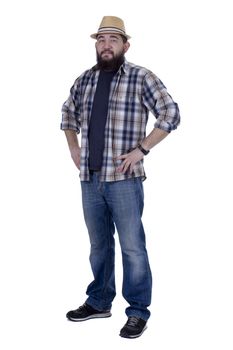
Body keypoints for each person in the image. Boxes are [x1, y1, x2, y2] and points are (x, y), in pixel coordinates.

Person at [61, 16, 180, 339]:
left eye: (113, 39)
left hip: (124, 179)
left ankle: (138, 311)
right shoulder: (85, 80)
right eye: (101, 39)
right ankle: (99, 301)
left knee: (132, 247)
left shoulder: (141, 77)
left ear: (126, 45)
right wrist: (74, 147)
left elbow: (171, 113)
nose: (106, 45)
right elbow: (67, 114)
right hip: (90, 178)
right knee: (99, 246)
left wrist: (142, 148)